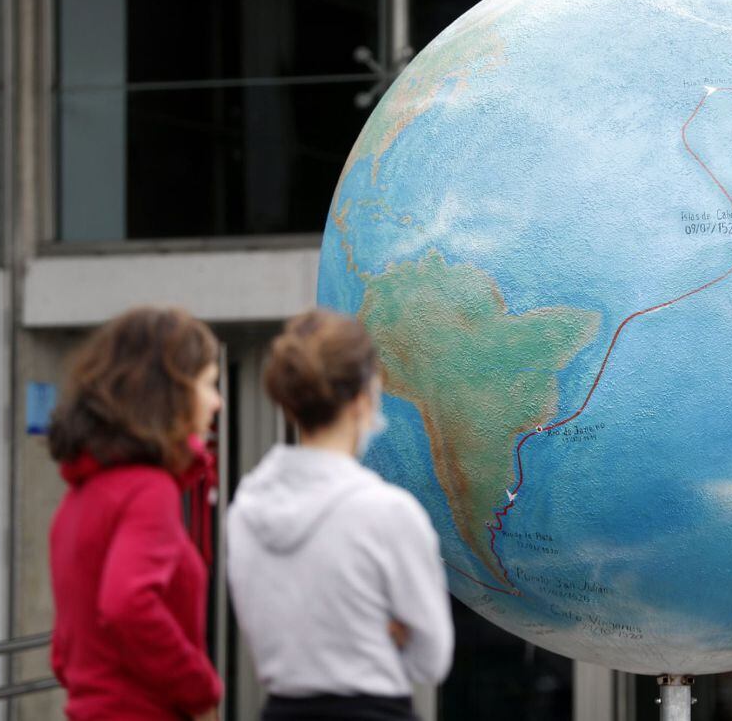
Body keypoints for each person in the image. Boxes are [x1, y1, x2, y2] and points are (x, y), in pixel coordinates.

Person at [227, 309, 453, 721]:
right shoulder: (388, 514)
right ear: (362, 399)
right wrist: (382, 630)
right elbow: (431, 659)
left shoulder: (245, 510)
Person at [47, 306, 224, 720]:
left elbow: (63, 651)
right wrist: (201, 689)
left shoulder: (81, 495)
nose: (216, 403)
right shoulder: (149, 491)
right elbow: (127, 602)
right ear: (171, 393)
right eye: (208, 385)